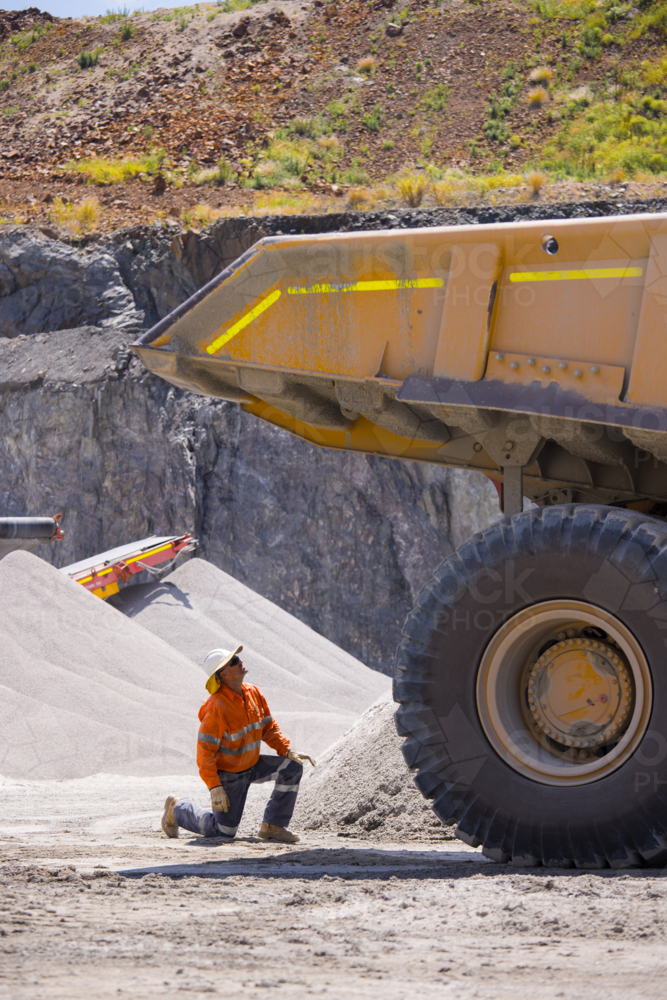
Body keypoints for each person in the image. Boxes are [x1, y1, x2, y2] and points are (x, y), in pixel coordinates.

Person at [161, 645, 315, 843]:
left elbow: (268, 728)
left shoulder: (253, 692)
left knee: (291, 768)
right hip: (229, 773)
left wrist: (286, 750)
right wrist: (215, 788)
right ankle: (176, 809)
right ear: (224, 674)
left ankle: (273, 826)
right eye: (234, 661)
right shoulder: (217, 707)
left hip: (252, 764)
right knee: (223, 832)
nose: (240, 661)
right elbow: (205, 753)